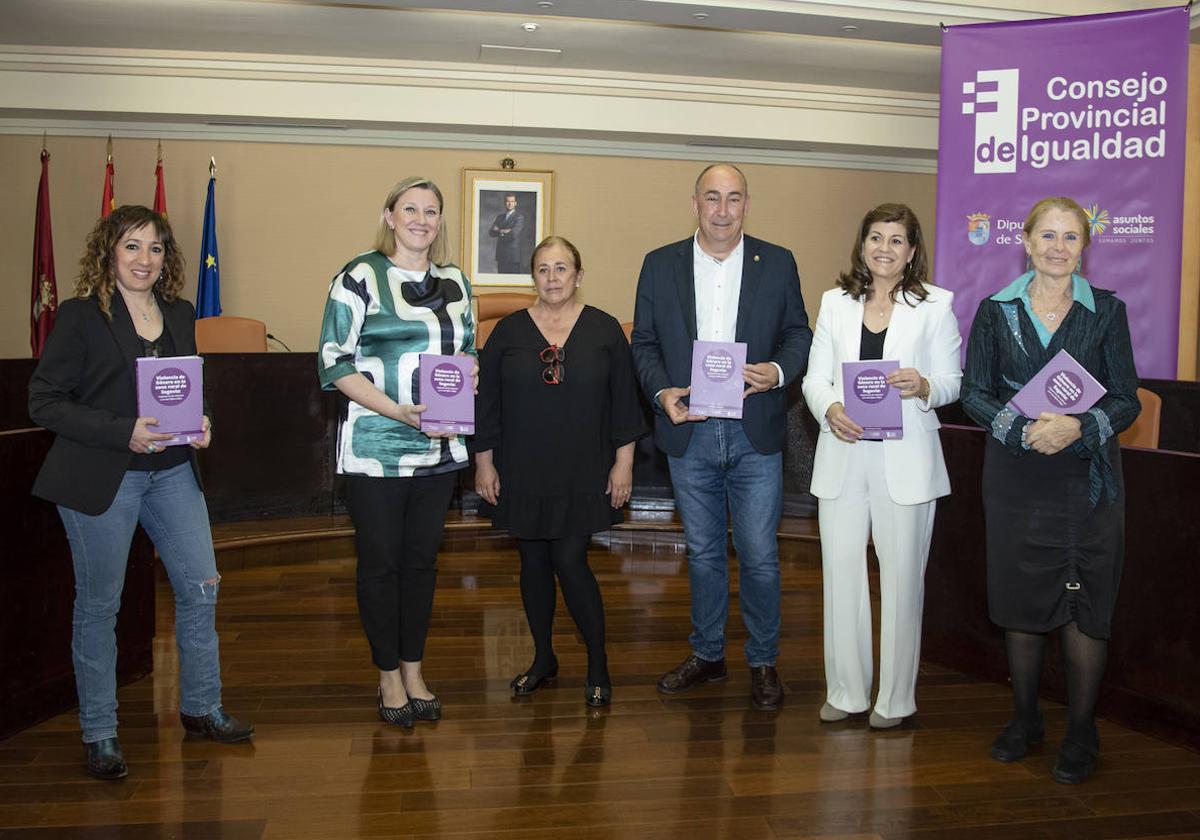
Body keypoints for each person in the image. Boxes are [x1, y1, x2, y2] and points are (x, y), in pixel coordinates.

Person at [28, 205, 252, 781]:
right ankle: (100, 732)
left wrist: (201, 420)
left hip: (174, 471)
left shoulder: (180, 311)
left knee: (202, 589)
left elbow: (183, 386)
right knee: (100, 606)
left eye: (154, 249)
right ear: (109, 251)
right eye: (131, 247)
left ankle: (202, 707)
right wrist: (121, 430)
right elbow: (44, 401)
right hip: (102, 476)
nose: (143, 260)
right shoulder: (80, 316)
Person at [961, 196, 1140, 784]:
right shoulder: (996, 310)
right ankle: (1024, 720)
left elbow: (1126, 398)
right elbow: (974, 392)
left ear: (1084, 248)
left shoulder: (1107, 311)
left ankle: (1082, 730)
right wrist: (1026, 429)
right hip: (1017, 474)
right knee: (1021, 598)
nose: (1058, 247)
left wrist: (1077, 427)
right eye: (1048, 236)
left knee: (1085, 603)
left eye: (1070, 237)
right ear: (1028, 242)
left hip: (1088, 479)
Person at [631, 163, 812, 710]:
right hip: (691, 431)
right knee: (705, 552)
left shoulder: (777, 262)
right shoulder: (659, 264)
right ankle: (708, 653)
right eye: (712, 198)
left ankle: (763, 661)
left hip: (754, 429)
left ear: (746, 205)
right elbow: (643, 344)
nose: (723, 210)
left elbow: (799, 332)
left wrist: (778, 372)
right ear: (695, 204)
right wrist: (663, 393)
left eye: (733, 198)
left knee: (759, 555)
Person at [317, 176, 476, 729]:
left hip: (439, 449)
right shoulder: (359, 275)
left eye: (431, 211)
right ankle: (386, 675)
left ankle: (413, 668)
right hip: (376, 450)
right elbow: (334, 363)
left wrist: (470, 374)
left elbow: (466, 350)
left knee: (421, 565)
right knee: (381, 565)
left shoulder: (456, 280)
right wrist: (398, 411)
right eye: (410, 209)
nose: (421, 219)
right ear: (389, 215)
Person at [801, 203, 962, 729]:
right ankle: (846, 691)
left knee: (901, 583)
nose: (884, 249)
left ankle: (895, 699)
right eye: (876, 238)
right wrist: (829, 408)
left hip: (907, 461)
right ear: (862, 245)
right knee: (842, 577)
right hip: (844, 453)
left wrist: (925, 387)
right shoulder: (834, 303)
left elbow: (954, 382)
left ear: (912, 251)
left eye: (897, 240)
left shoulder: (936, 306)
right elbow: (813, 378)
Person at [473, 236, 647, 707]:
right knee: (532, 562)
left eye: (561, 268)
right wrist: (484, 463)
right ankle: (543, 658)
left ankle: (597, 663)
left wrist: (623, 463)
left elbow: (625, 404)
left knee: (570, 561)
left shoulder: (606, 329)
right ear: (533, 277)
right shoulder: (507, 333)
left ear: (579, 275)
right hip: (521, 467)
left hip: (584, 468)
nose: (552, 277)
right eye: (543, 269)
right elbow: (485, 402)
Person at [488, 193, 526, 274]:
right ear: (505, 203)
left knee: (512, 282)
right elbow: (491, 232)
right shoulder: (500, 217)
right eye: (507, 201)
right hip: (501, 255)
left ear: (515, 203)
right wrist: (504, 231)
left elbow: (513, 234)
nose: (509, 203)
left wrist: (499, 230)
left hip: (513, 256)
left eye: (512, 201)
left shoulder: (519, 217)